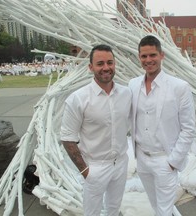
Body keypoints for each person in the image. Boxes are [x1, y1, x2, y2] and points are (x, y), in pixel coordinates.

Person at [60, 44, 131, 216]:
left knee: (114, 208)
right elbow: (67, 137)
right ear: (90, 67)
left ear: (115, 64)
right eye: (100, 64)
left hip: (121, 163)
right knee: (92, 212)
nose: (106, 68)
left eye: (110, 62)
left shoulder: (127, 94)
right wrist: (85, 170)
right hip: (95, 166)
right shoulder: (78, 99)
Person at [128, 35, 196, 216]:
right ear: (139, 57)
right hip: (142, 158)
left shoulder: (179, 87)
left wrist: (173, 161)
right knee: (155, 204)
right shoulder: (133, 85)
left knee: (164, 210)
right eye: (144, 56)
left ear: (161, 55)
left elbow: (189, 128)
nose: (148, 60)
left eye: (152, 55)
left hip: (165, 159)